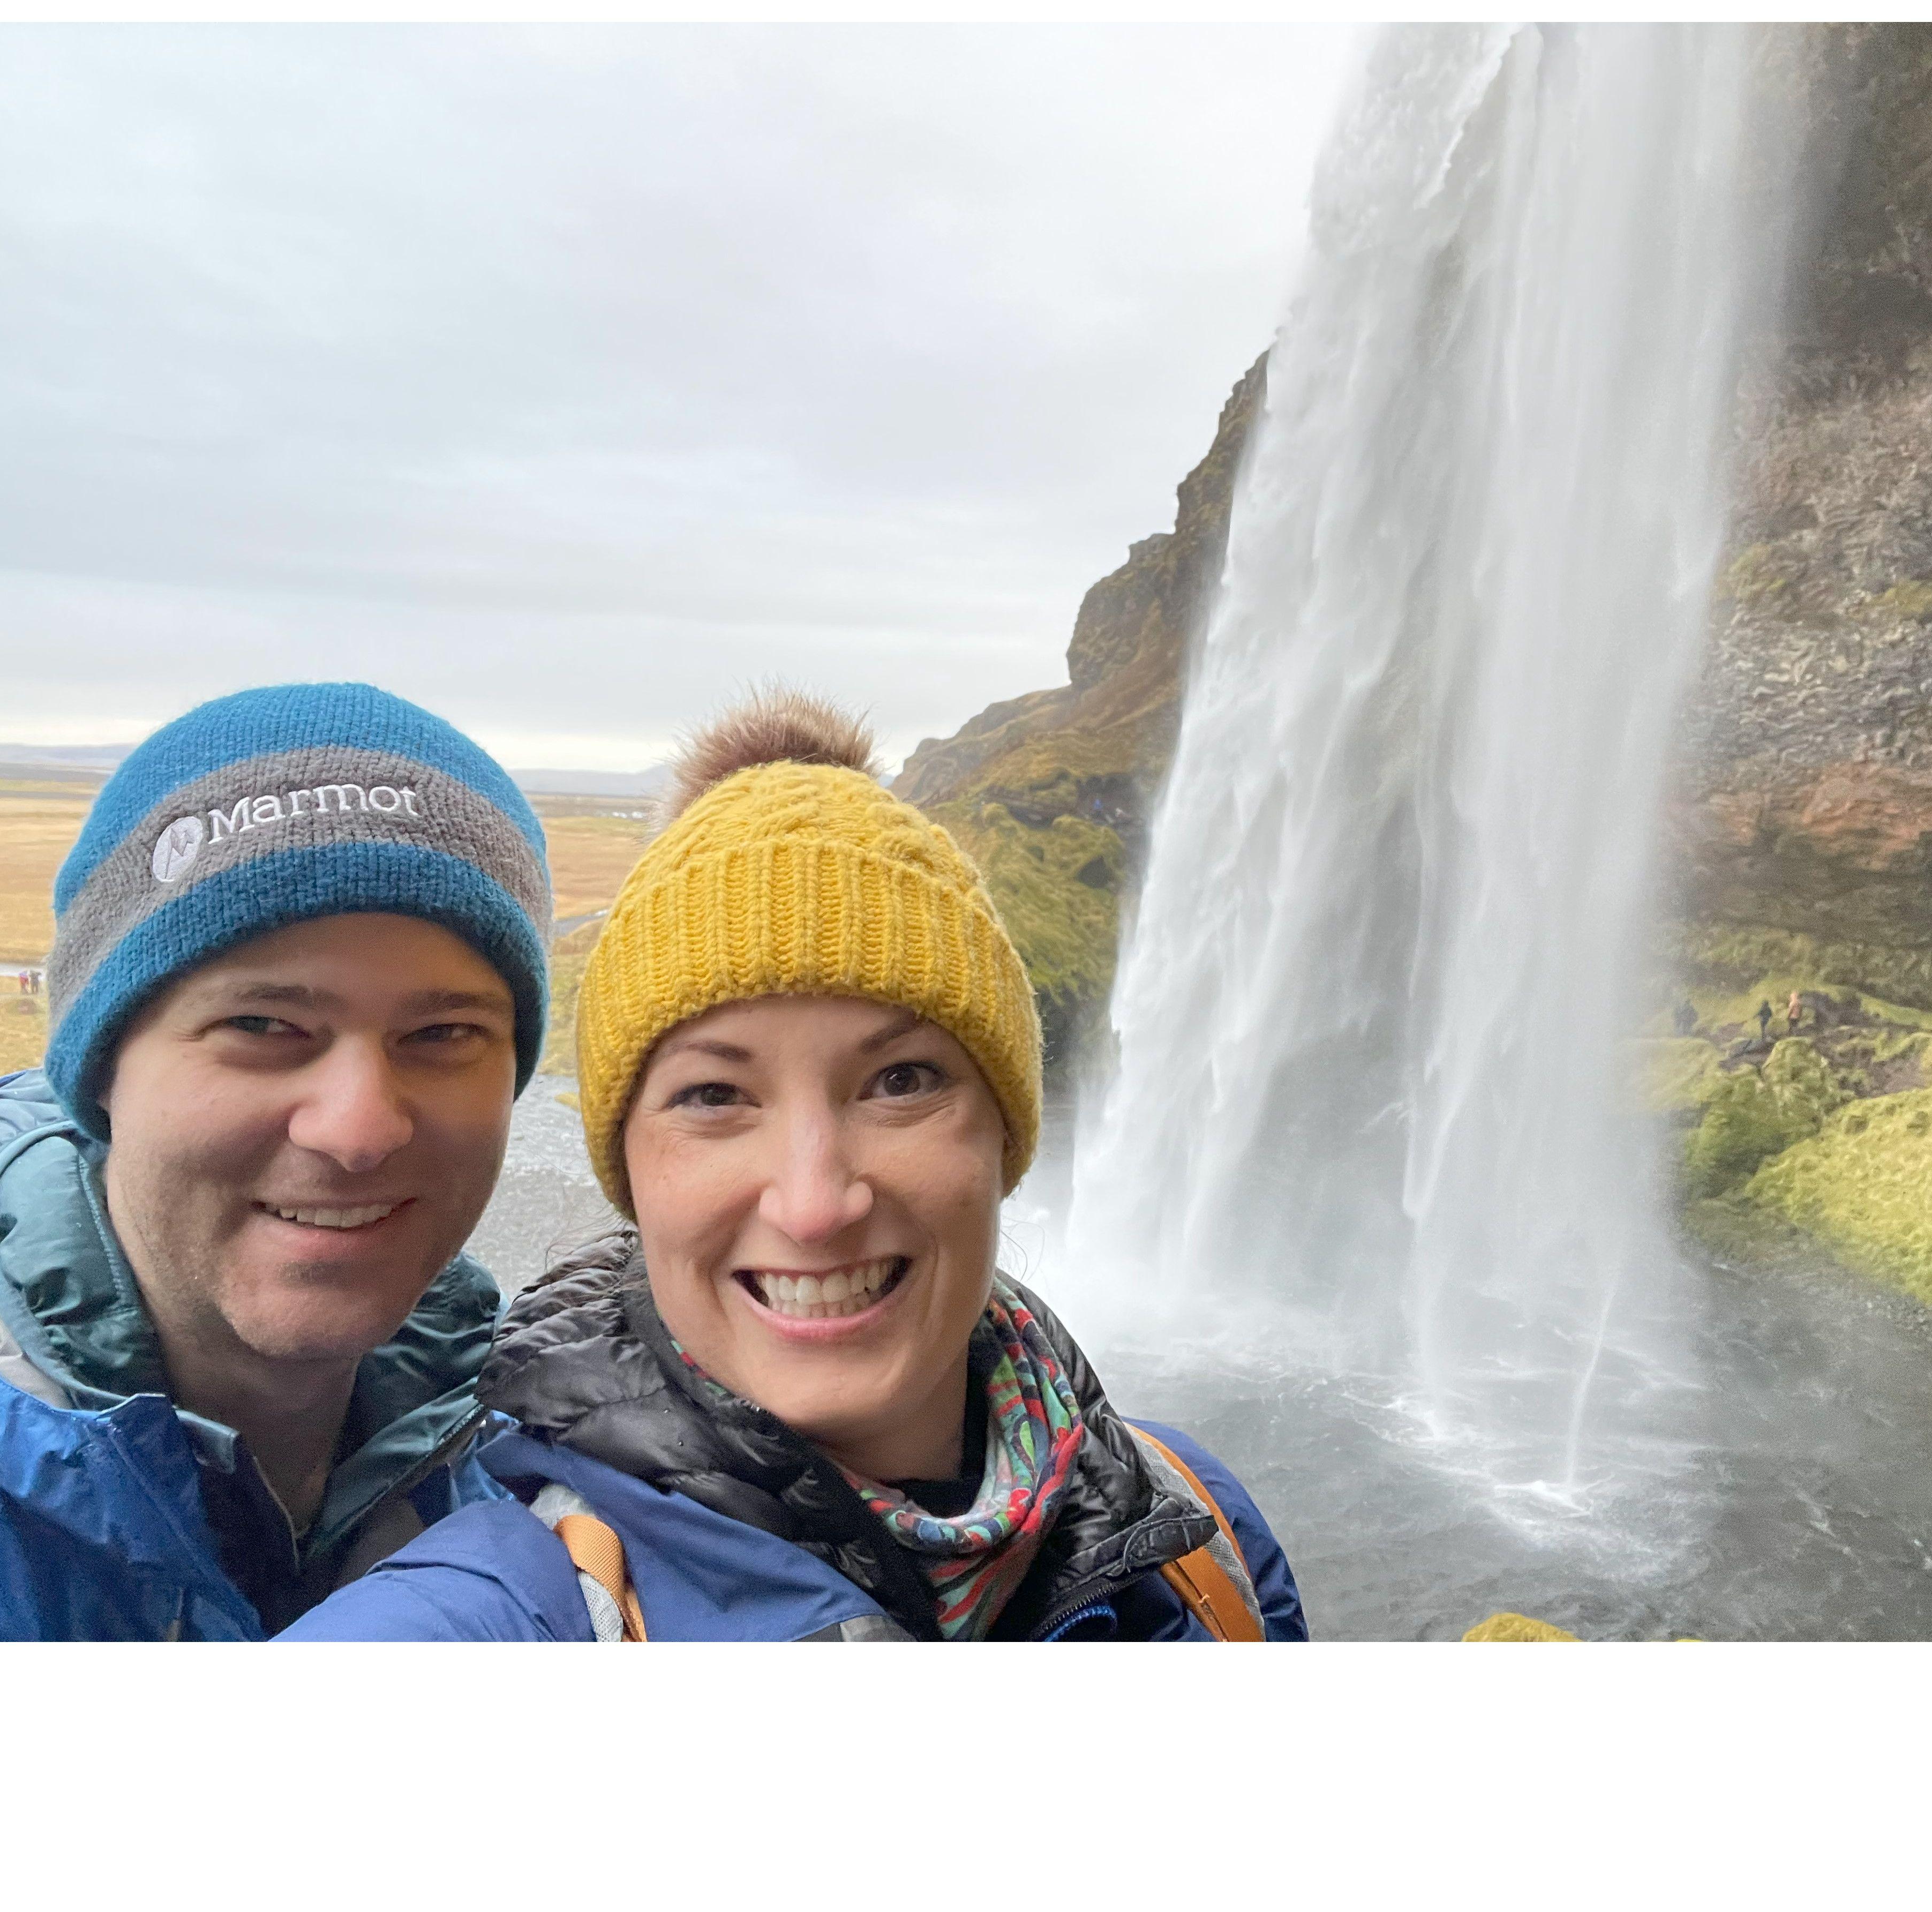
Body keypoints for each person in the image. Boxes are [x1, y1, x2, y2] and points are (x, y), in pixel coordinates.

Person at [283, 692, 1306, 1641]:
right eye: (715, 1097)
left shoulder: (1197, 1533)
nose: (817, 1204)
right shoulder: (491, 1612)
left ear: (1006, 1133)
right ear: (629, 1174)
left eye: (902, 1081)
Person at [0, 683, 554, 1640]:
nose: (358, 1131)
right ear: (100, 1068)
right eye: (262, 1025)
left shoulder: (542, 1450)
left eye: (444, 1032)